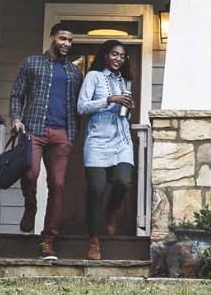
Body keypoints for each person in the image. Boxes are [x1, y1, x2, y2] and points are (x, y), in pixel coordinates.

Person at [9, 22, 83, 261]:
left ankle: (48, 240)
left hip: (63, 133)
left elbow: (80, 104)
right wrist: (16, 118)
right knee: (30, 173)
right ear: (52, 38)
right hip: (34, 129)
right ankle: (30, 205)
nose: (66, 44)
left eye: (70, 41)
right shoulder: (32, 63)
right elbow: (17, 93)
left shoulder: (74, 73)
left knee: (58, 185)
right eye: (62, 39)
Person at [76, 39, 136, 261]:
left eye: (122, 56)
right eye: (114, 54)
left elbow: (123, 110)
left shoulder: (124, 81)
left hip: (121, 140)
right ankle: (94, 240)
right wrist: (110, 99)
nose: (118, 59)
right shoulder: (94, 77)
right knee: (96, 190)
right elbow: (82, 106)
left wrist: (127, 107)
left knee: (122, 182)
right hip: (97, 142)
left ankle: (111, 211)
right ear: (105, 55)